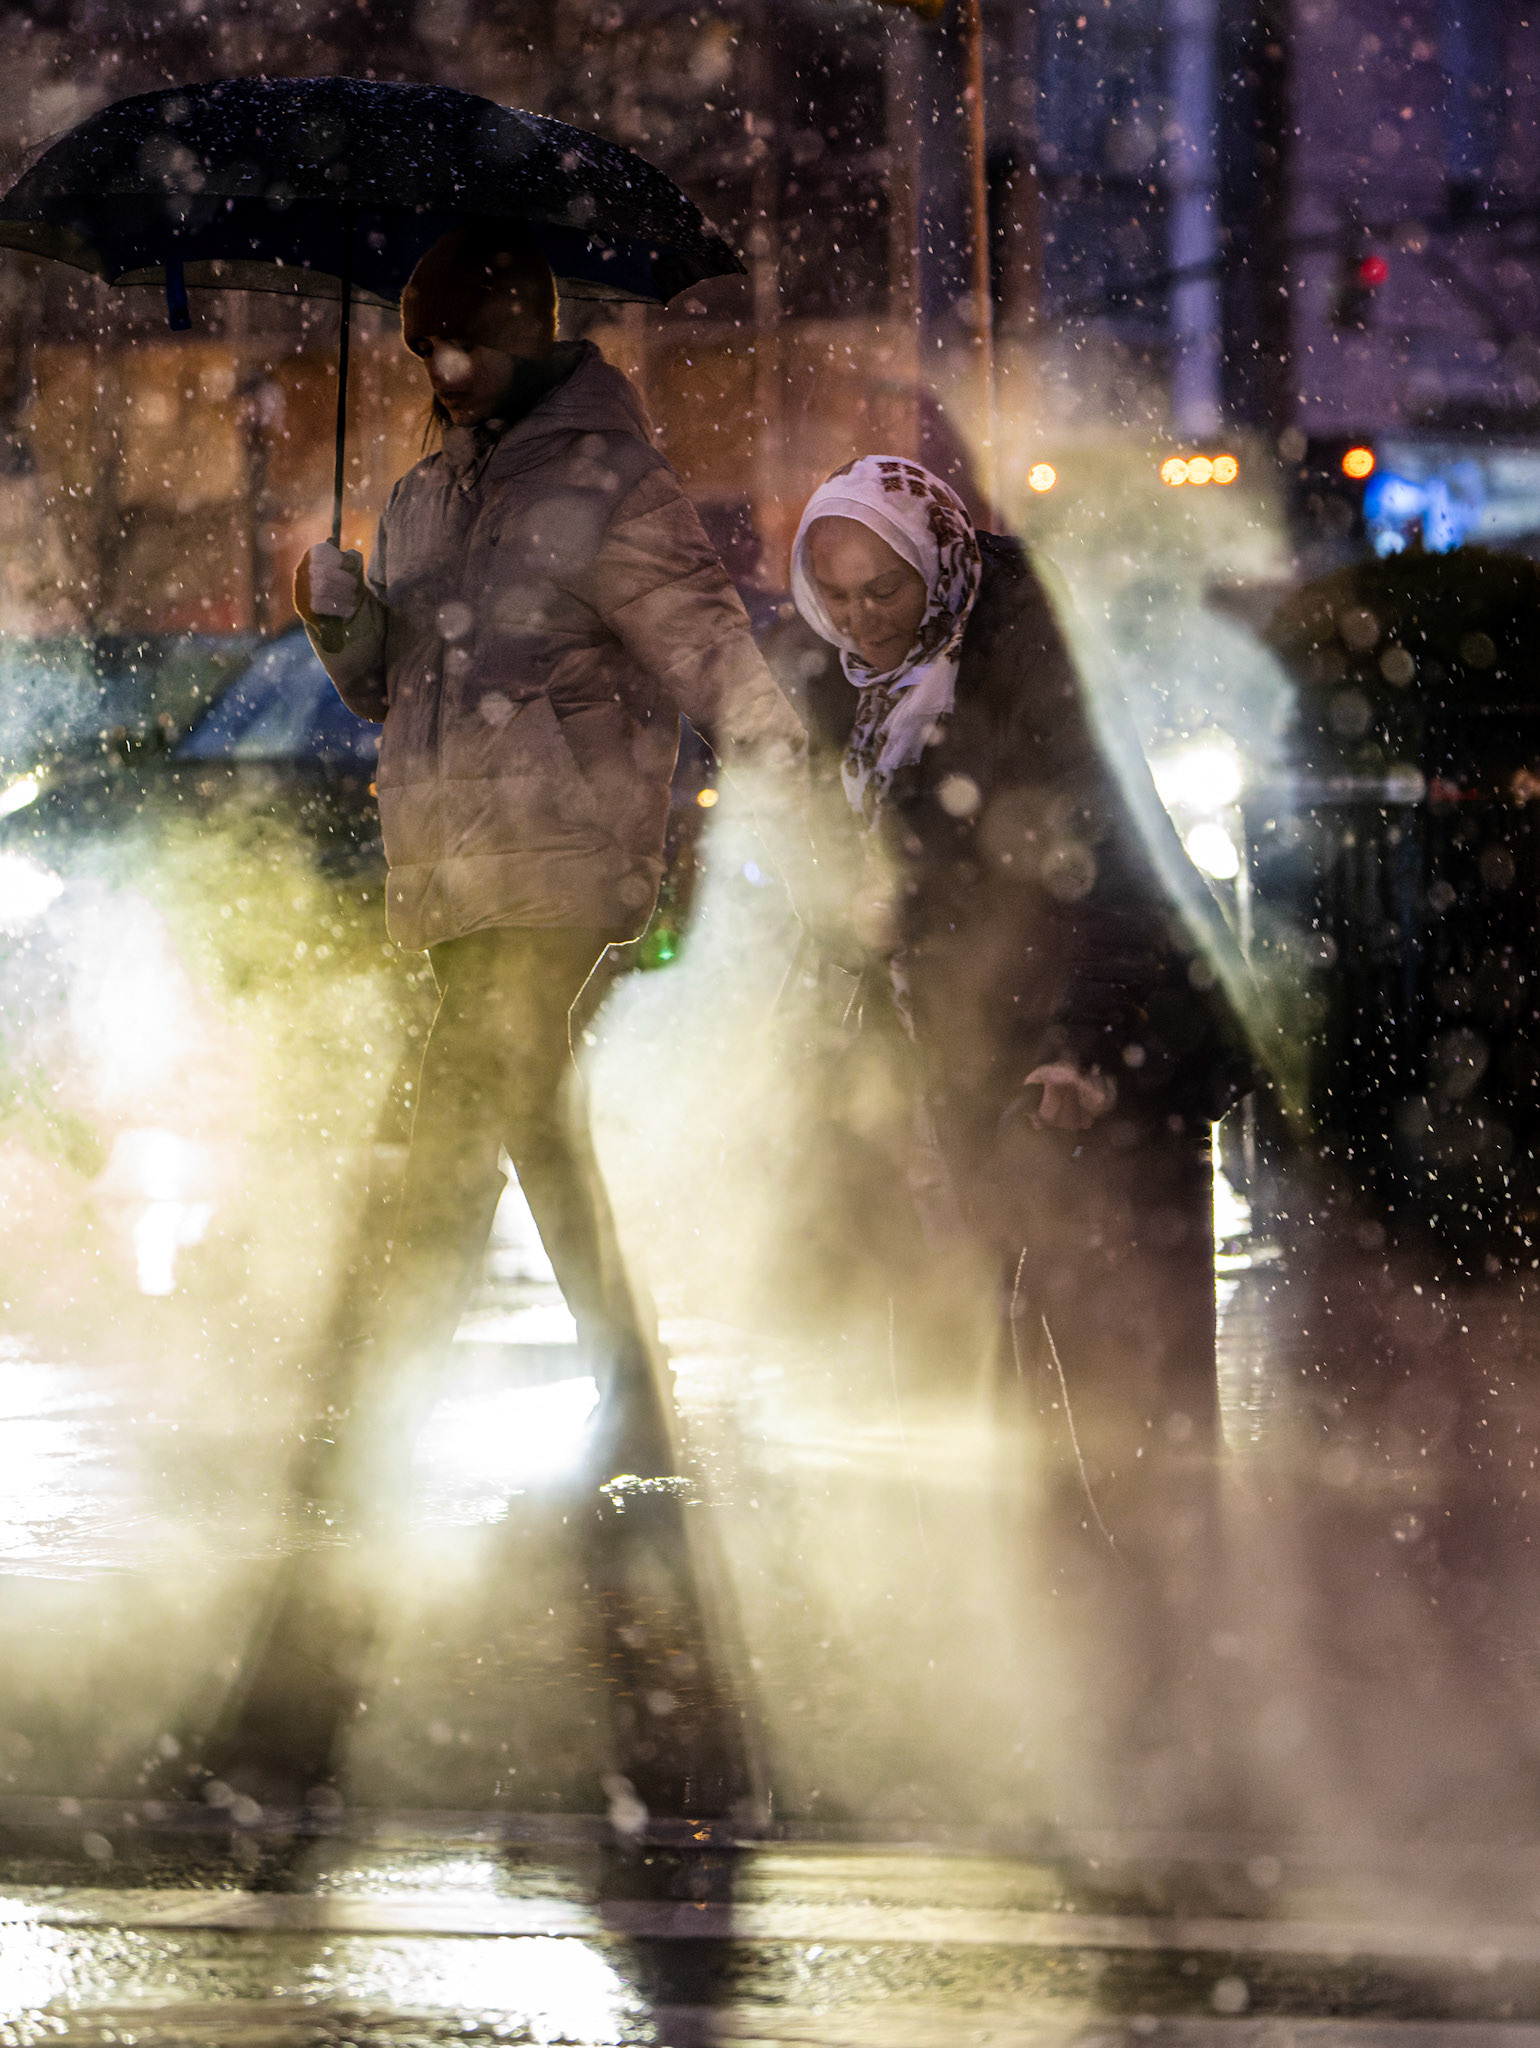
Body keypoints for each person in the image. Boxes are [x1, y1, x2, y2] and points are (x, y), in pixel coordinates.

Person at [293, 222, 806, 1487]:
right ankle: (631, 1399)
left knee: (458, 1118)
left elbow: (707, 646)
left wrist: (795, 780)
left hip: (562, 852)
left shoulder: (609, 484)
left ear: (525, 335)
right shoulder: (420, 494)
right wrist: (339, 620)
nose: (443, 371)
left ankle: (378, 1413)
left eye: (465, 344)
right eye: (424, 348)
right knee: (530, 1118)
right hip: (453, 862)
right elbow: (393, 690)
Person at [788, 456, 1253, 1544]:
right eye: (836, 595)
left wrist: (1080, 1045)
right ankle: (1058, 1584)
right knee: (998, 1338)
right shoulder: (848, 688)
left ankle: (1173, 1589)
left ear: (937, 566)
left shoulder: (1027, 660)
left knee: (1130, 1356)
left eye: (883, 589)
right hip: (971, 1037)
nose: (861, 618)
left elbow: (1114, 875)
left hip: (1111, 1034)